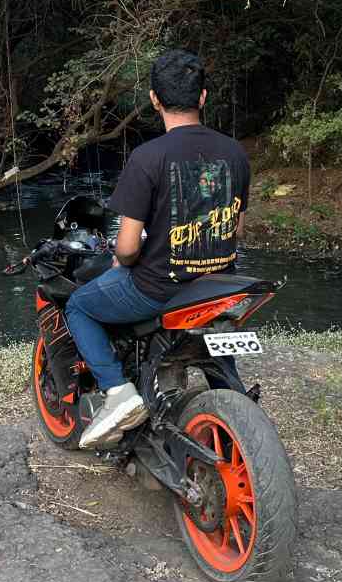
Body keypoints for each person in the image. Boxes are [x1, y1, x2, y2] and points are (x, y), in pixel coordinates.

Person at [66, 48, 251, 449]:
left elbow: (129, 248)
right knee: (216, 328)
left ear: (154, 99)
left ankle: (118, 393)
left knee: (79, 305)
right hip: (220, 284)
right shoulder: (235, 153)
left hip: (159, 289)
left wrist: (123, 256)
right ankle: (233, 400)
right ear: (203, 97)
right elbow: (235, 227)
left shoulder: (147, 157)